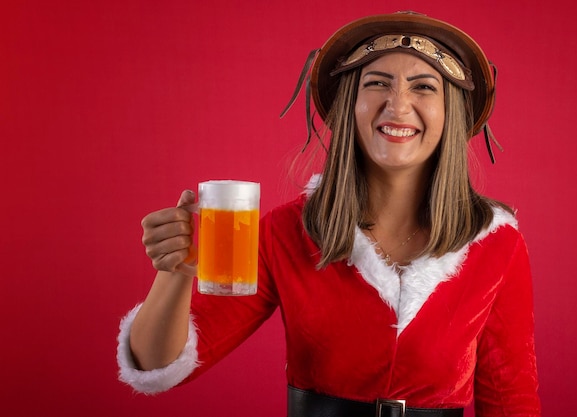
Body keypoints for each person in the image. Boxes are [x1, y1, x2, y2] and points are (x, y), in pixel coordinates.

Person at [117, 11, 541, 417]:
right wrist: (176, 271)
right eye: (377, 83)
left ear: (452, 113)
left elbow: (511, 400)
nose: (397, 105)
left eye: (424, 87)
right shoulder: (287, 231)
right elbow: (159, 364)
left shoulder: (496, 243)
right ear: (347, 107)